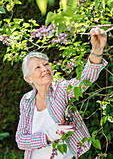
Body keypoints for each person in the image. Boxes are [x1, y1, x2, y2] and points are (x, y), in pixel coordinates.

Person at [16, 27, 108, 159]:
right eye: (38, 67)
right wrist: (49, 135)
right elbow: (21, 140)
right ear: (28, 78)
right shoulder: (26, 100)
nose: (45, 69)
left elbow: (85, 81)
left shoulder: (61, 89)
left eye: (46, 64)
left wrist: (97, 51)